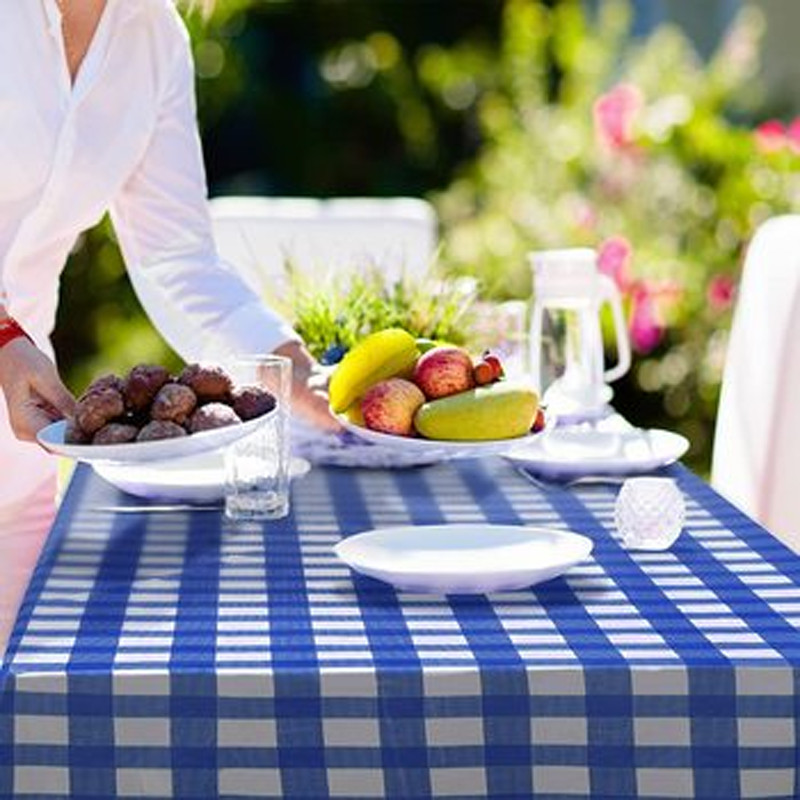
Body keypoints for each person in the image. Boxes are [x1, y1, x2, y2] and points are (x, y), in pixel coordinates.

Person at [0, 0, 338, 651]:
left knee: (19, 710)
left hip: (18, 447)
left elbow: (175, 256)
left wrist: (296, 370)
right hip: (16, 370)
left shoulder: (153, 35)